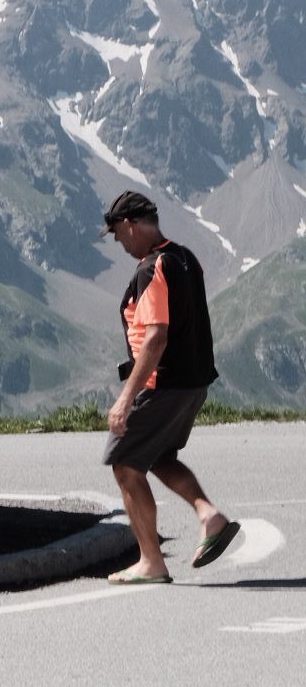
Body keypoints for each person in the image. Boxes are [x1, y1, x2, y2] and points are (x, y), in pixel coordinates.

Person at [99, 189, 240, 584]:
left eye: (118, 235)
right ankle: (209, 515)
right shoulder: (185, 258)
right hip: (193, 383)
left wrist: (125, 399)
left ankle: (151, 561)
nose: (120, 244)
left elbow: (155, 338)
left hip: (164, 385)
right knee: (159, 456)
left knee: (125, 463)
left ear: (130, 225)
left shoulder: (152, 268)